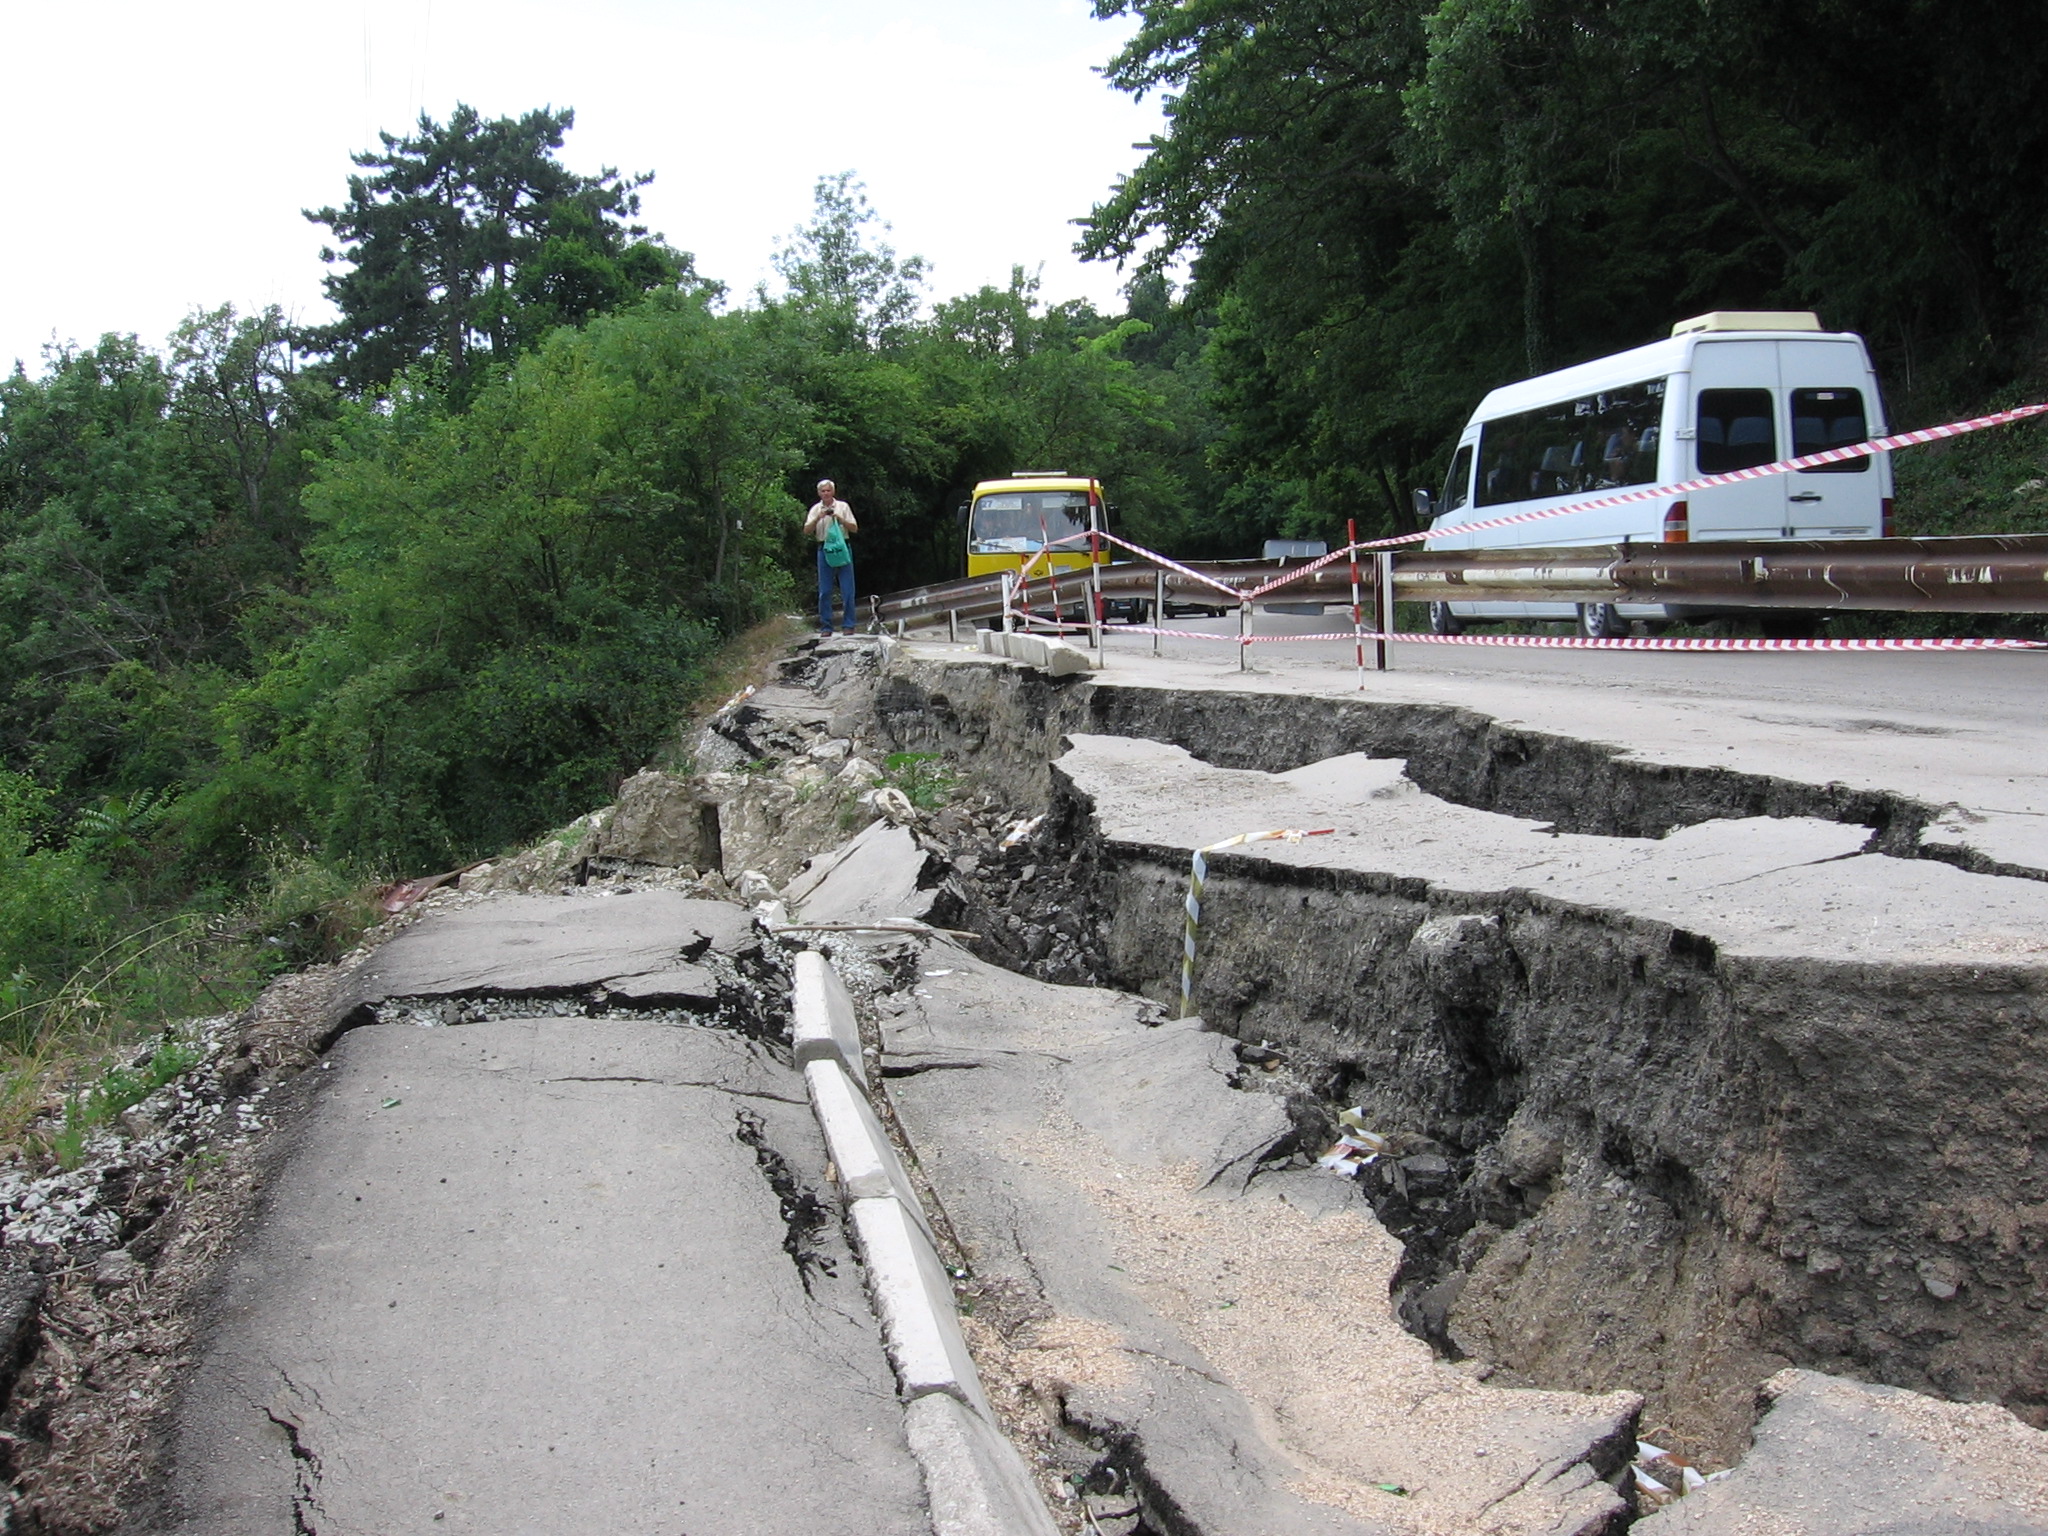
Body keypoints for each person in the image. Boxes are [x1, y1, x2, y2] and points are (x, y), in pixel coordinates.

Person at [804, 480, 859, 636]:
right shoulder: (815, 509)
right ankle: (826, 626)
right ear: (819, 493)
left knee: (848, 589)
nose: (826, 494)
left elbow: (854, 528)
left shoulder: (843, 506)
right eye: (823, 491)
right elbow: (806, 530)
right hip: (824, 548)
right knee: (825, 590)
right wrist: (818, 518)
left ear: (833, 492)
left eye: (828, 491)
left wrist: (840, 518)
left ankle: (849, 624)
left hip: (842, 547)